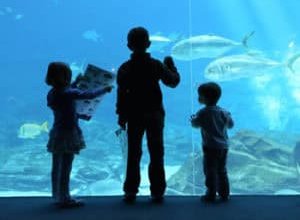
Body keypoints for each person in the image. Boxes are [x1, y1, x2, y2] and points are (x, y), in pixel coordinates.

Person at [116, 26, 180, 203]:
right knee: (157, 152)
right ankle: (158, 191)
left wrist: (121, 116)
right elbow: (173, 82)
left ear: (129, 46)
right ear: (149, 44)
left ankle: (130, 191)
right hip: (154, 115)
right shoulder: (156, 65)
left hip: (133, 115)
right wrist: (171, 66)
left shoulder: (125, 68)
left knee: (133, 153)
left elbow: (121, 94)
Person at [45, 62, 112, 208]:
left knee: (56, 166)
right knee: (66, 167)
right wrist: (104, 89)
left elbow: (68, 92)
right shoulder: (68, 93)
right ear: (65, 77)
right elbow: (88, 94)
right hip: (68, 134)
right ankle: (65, 198)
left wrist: (76, 82)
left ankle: (57, 195)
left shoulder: (52, 93)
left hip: (56, 133)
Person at [190, 82, 234, 202]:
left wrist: (192, 120)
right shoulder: (224, 112)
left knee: (210, 170)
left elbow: (195, 125)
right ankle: (225, 193)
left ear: (204, 98)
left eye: (199, 95)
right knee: (222, 170)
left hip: (210, 147)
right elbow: (231, 125)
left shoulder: (203, 112)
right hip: (223, 147)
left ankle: (211, 194)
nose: (198, 98)